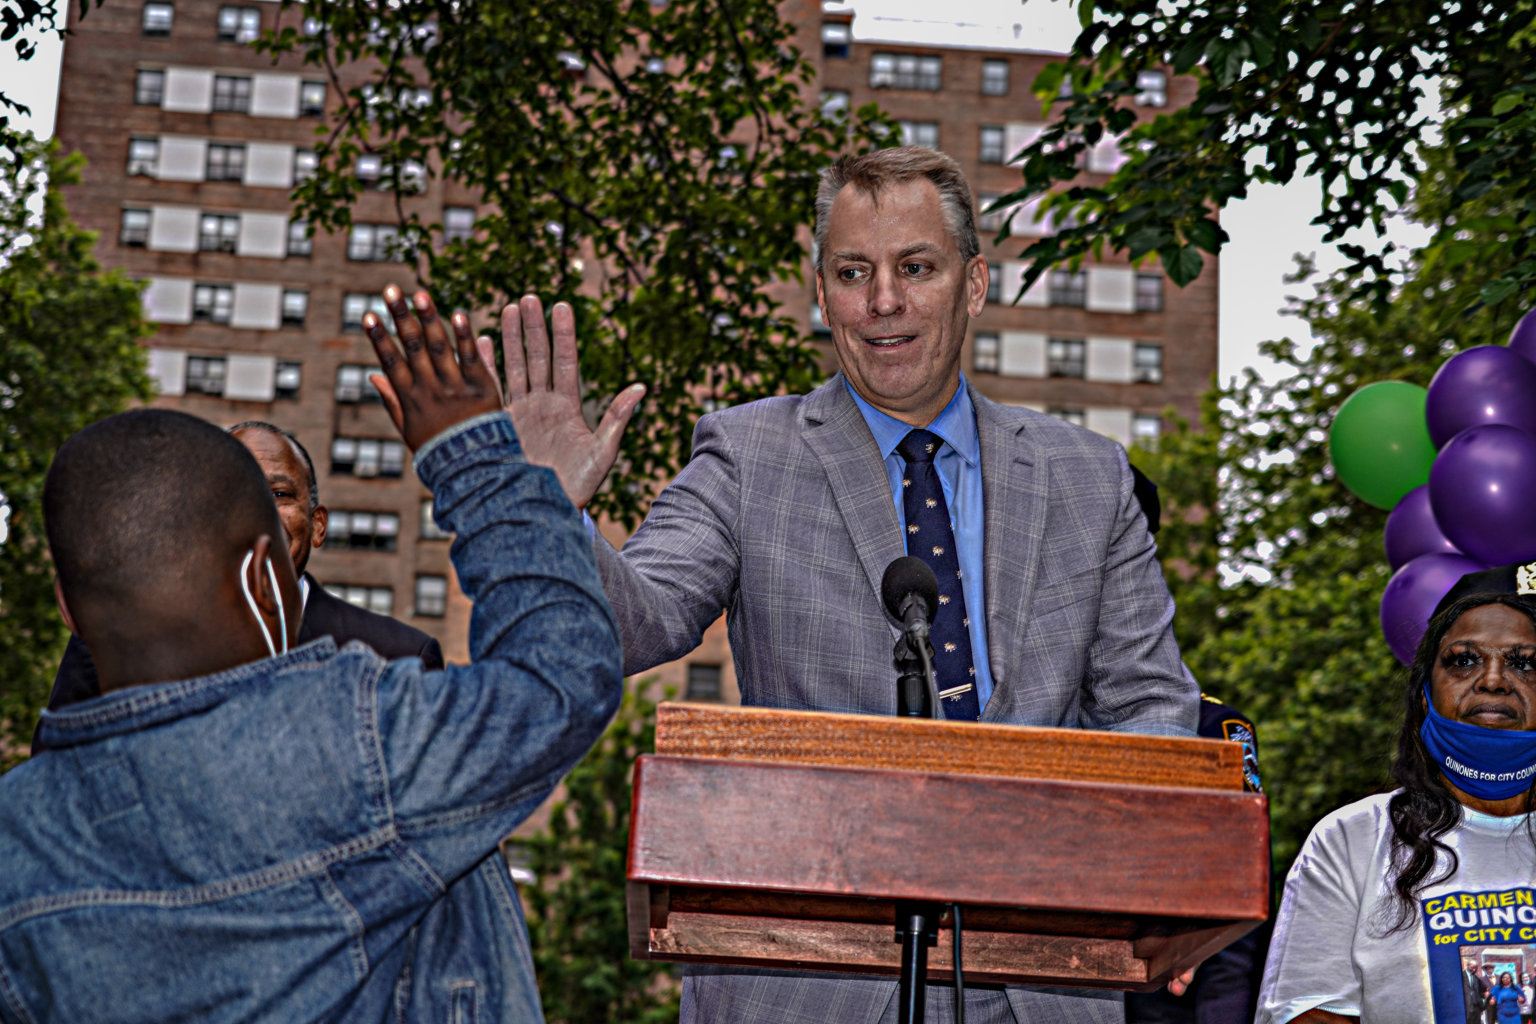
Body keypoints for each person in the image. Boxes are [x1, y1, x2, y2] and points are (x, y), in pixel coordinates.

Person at [458, 146, 1198, 1022]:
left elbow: (1150, 705)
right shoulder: (745, 454)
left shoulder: (1090, 476)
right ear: (821, 292)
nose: (883, 300)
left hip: (1045, 978)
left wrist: (1154, 876)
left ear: (973, 285)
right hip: (807, 980)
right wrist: (548, 512)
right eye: (853, 273)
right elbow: (636, 622)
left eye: (915, 268)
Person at [0, 293, 622, 1022]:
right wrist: (497, 477)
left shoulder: (18, 835)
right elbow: (561, 675)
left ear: (66, 606)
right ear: (263, 574)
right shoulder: (360, 736)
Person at [36, 419, 442, 749]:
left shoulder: (399, 658)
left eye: (279, 494)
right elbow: (56, 781)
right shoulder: (118, 639)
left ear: (317, 525)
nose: (257, 511)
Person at [1255, 592, 1536, 1024]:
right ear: (1425, 696)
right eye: (1464, 661)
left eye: (1525, 663)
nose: (1493, 680)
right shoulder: (1351, 838)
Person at [1468, 960, 1494, 1024]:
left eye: (1490, 968)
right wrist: (1484, 995)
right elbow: (1479, 992)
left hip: (1500, 1003)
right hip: (1488, 1005)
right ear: (1485, 970)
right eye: (1487, 969)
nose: (1489, 970)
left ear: (1493, 969)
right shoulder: (1481, 979)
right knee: (1490, 1021)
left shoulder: (1500, 977)